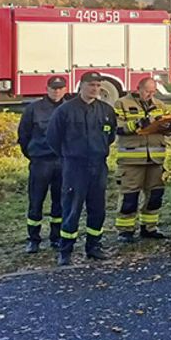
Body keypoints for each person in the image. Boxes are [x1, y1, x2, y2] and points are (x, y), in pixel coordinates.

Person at [46, 72, 117, 266]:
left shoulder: (105, 110)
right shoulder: (65, 110)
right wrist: (68, 155)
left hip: (98, 165)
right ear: (81, 86)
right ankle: (66, 250)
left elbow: (110, 137)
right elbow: (53, 138)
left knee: (97, 209)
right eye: (91, 85)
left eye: (97, 85)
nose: (95, 88)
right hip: (75, 166)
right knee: (71, 208)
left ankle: (93, 246)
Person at [113, 77, 171, 243]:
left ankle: (149, 227)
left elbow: (169, 128)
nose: (150, 94)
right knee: (129, 196)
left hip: (155, 158)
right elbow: (117, 128)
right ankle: (125, 231)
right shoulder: (122, 104)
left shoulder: (159, 105)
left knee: (155, 195)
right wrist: (140, 123)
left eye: (153, 91)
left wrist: (168, 126)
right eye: (147, 91)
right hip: (132, 159)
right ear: (138, 88)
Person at [18, 75, 68, 253]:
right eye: (53, 88)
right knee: (36, 201)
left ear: (65, 89)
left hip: (63, 162)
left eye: (60, 88)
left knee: (60, 202)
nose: (56, 91)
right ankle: (33, 239)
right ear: (47, 89)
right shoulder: (34, 109)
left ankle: (56, 237)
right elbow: (23, 135)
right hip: (41, 161)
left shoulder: (70, 108)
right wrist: (33, 155)